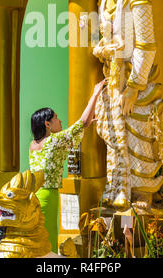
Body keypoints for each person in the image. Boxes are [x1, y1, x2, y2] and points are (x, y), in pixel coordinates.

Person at [93, 0, 163, 211]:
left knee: (138, 141)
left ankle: (141, 202)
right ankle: (118, 192)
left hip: (136, 84)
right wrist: (100, 49)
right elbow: (99, 41)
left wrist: (134, 87)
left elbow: (146, 45)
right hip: (113, 81)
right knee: (114, 140)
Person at [29, 79, 106, 253]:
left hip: (37, 195)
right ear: (47, 124)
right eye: (56, 118)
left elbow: (77, 130)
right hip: (48, 196)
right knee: (48, 241)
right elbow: (83, 122)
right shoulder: (54, 141)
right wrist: (95, 93)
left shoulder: (34, 144)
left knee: (41, 238)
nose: (60, 120)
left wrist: (83, 127)